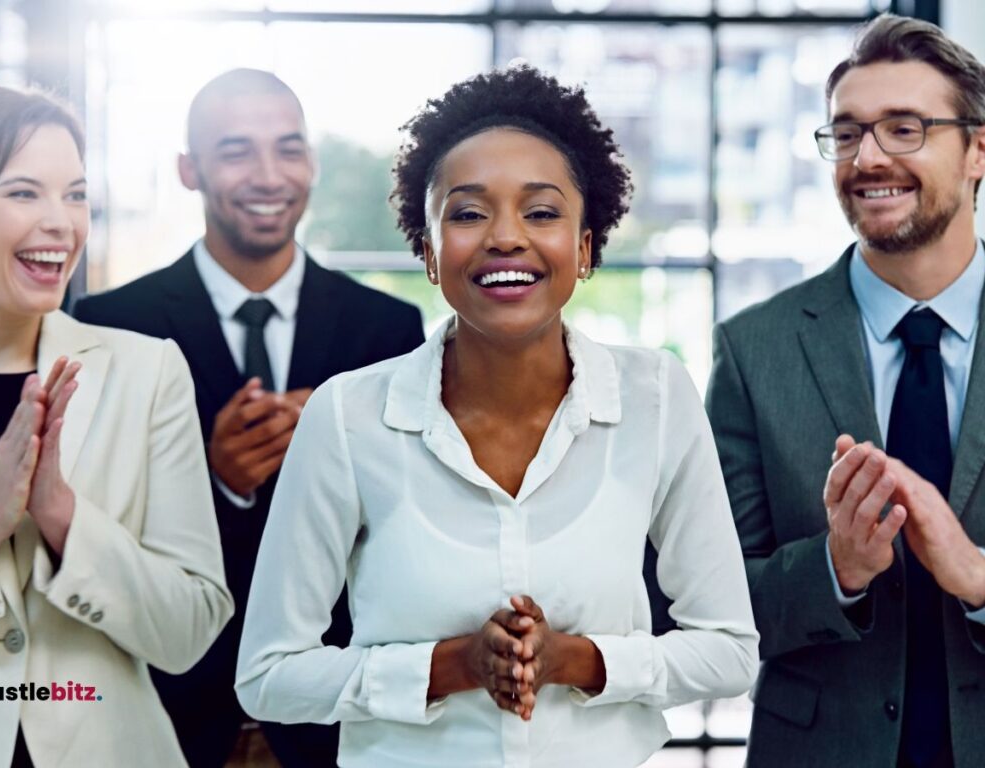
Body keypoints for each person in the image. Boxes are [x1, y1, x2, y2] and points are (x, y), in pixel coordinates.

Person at [235, 65, 758, 768]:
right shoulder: (349, 417)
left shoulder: (656, 398)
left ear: (586, 246)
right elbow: (268, 676)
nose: (505, 237)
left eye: (541, 212)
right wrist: (452, 667)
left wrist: (578, 660)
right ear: (427, 251)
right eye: (468, 212)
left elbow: (730, 652)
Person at [73, 69, 424, 767]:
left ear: (312, 163)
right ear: (188, 169)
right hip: (170, 716)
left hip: (338, 723)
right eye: (237, 151)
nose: (269, 175)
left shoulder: (387, 329)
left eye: (289, 149)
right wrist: (214, 480)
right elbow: (90, 531)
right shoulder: (112, 326)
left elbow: (410, 533)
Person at [706, 14, 985, 768]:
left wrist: (978, 576)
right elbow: (709, 606)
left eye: (904, 129)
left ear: (977, 152)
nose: (869, 158)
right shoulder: (753, 349)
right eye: (848, 132)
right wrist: (838, 568)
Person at [0, 86, 232, 767]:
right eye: (24, 193)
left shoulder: (147, 373)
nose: (62, 223)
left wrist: (61, 515)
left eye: (76, 195)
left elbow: (189, 629)